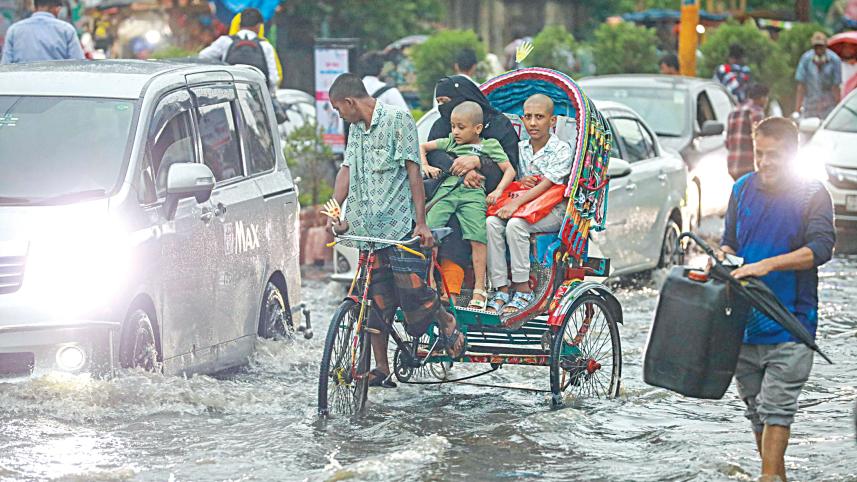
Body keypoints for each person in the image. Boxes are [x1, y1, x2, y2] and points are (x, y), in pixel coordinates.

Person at [328, 73, 465, 388]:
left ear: (350, 102)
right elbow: (346, 170)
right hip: (367, 228)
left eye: (338, 109)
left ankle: (445, 319)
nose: (339, 115)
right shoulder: (355, 129)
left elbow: (413, 172)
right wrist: (334, 211)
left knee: (413, 293)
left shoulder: (398, 119)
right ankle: (380, 367)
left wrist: (421, 222)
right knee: (374, 300)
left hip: (400, 226)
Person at [719, 117, 835, 482]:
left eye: (775, 155)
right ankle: (775, 476)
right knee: (756, 412)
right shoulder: (741, 189)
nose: (765, 162)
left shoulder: (811, 193)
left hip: (791, 323)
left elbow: (821, 248)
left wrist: (766, 265)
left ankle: (769, 477)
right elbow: (730, 244)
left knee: (777, 410)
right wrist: (718, 259)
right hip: (743, 326)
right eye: (759, 154)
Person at [425, 76, 521, 299]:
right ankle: (438, 287)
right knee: (437, 224)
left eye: (446, 101)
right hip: (449, 187)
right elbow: (434, 152)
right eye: (438, 102)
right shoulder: (443, 125)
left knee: (472, 227)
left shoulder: (498, 125)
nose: (443, 108)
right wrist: (460, 168)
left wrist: (479, 163)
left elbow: (510, 164)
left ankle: (463, 289)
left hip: (489, 193)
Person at [485, 94, 572, 314]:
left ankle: (523, 289)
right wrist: (519, 183)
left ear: (552, 121)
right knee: (492, 223)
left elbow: (546, 186)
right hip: (523, 206)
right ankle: (500, 288)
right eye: (528, 117)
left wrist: (515, 206)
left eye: (540, 117)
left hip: (553, 210)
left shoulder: (562, 149)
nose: (533, 123)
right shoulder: (521, 147)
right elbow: (514, 178)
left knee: (516, 225)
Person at [199, 8, 279, 93]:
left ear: (239, 24)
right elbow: (273, 79)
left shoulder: (226, 41)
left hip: (230, 96)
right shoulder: (265, 46)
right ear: (258, 26)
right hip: (257, 97)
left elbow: (203, 56)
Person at [1, 0, 84, 64]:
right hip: (57, 85)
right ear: (56, 9)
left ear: (34, 8)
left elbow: (5, 66)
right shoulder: (67, 30)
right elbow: (79, 66)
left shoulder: (14, 30)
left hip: (22, 85)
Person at [726, 83, 769, 181]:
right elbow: (761, 139)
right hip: (748, 165)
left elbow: (728, 142)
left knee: (741, 193)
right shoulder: (756, 111)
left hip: (732, 165)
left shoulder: (734, 111)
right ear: (762, 98)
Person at [795, 32, 842, 120]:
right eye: (816, 46)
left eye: (821, 46)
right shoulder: (806, 59)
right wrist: (797, 109)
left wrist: (838, 107)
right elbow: (801, 86)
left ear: (826, 46)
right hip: (810, 105)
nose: (818, 49)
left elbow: (836, 86)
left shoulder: (835, 60)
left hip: (828, 106)